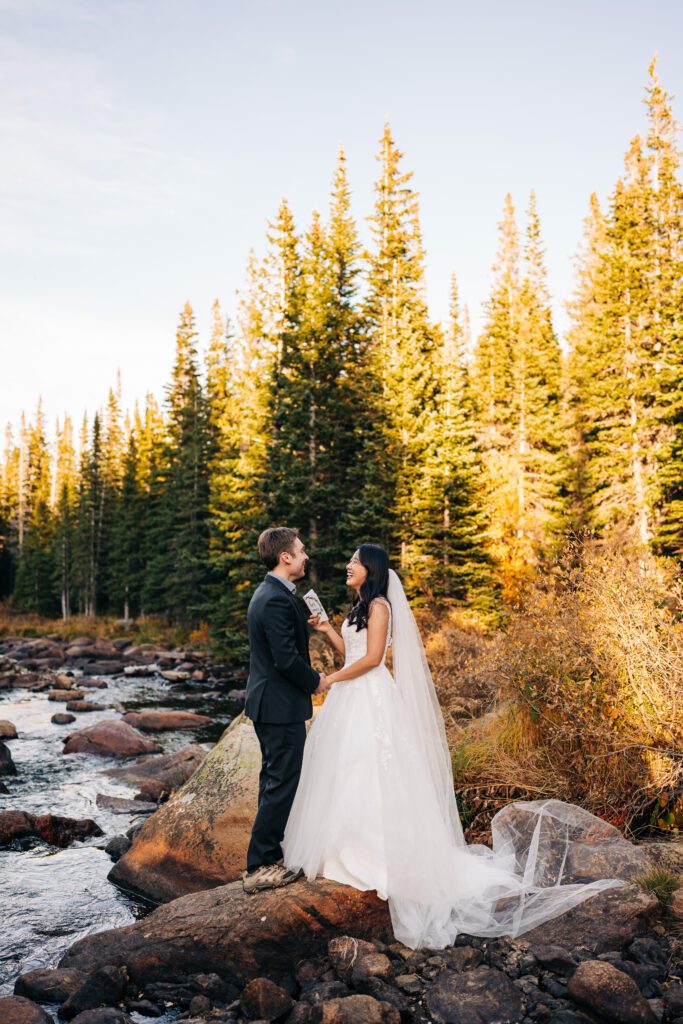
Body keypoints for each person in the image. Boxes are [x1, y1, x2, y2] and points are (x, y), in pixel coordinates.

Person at [281, 542, 628, 950]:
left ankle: (380, 857)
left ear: (371, 568)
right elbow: (351, 652)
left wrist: (331, 681)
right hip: (350, 698)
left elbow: (373, 659)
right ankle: (341, 849)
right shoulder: (360, 607)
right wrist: (325, 632)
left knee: (373, 769)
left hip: (369, 697)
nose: (347, 564)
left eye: (355, 560)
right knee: (347, 770)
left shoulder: (380, 608)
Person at [242, 526, 328, 894]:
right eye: (301, 550)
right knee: (282, 781)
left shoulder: (273, 594)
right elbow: (285, 660)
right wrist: (316, 682)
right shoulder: (274, 598)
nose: (306, 555)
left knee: (273, 779)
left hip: (271, 703)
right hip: (278, 705)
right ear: (285, 557)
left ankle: (268, 854)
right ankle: (259, 865)